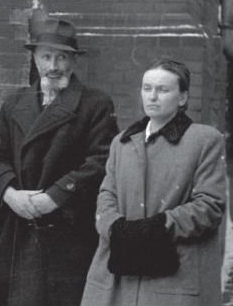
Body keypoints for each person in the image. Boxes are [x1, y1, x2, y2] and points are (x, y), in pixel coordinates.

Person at [0, 18, 118, 306]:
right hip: (18, 227)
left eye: (62, 57)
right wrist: (9, 194)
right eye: (46, 56)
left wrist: (55, 196)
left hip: (67, 229)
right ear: (34, 59)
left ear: (73, 62)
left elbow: (102, 160)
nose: (53, 66)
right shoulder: (14, 103)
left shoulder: (95, 104)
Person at [80, 59, 226, 306]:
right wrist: (114, 228)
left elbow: (210, 206)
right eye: (147, 88)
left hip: (174, 277)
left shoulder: (203, 140)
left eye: (163, 90)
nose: (153, 96)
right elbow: (106, 194)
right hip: (117, 278)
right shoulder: (122, 143)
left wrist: (158, 227)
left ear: (182, 98)